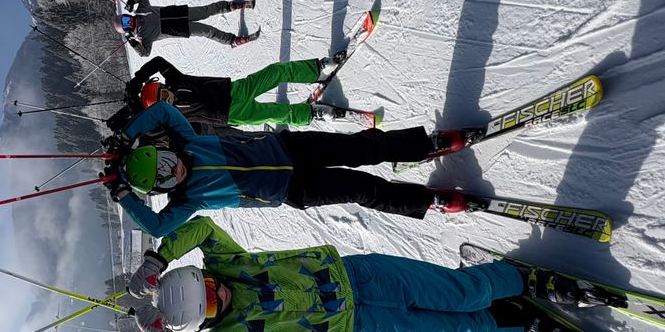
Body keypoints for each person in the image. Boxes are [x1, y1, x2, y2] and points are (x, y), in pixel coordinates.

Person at [121, 217, 599, 332]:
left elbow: (201, 226)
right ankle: (517, 323)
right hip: (361, 324)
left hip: (360, 275)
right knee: (457, 331)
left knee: (459, 294)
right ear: (202, 325)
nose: (216, 293)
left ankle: (523, 279)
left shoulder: (233, 264)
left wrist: (159, 255)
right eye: (206, 305)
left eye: (205, 283)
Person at [103, 101, 465, 238]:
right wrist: (123, 197)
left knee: (364, 147)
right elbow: (157, 227)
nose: (174, 170)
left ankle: (423, 145)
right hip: (292, 189)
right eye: (164, 178)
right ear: (161, 191)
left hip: (291, 147)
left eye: (164, 161)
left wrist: (125, 135)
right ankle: (426, 200)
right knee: (363, 189)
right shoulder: (187, 200)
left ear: (162, 149)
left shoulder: (187, 142)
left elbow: (163, 112)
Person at [106, 52, 352, 131]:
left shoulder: (176, 79)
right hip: (231, 115)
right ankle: (313, 114)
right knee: (277, 114)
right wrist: (128, 111)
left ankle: (317, 69)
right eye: (161, 100)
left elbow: (158, 61)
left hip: (235, 89)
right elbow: (137, 122)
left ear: (161, 85)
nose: (166, 97)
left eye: (161, 91)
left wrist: (137, 80)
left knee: (275, 72)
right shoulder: (170, 118)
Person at [118, 0, 257, 56]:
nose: (128, 21)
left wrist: (131, 1)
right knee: (208, 31)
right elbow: (145, 53)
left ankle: (233, 6)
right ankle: (233, 41)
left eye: (125, 18)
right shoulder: (143, 37)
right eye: (125, 24)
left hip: (181, 12)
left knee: (206, 10)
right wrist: (133, 42)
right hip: (181, 28)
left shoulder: (141, 10)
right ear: (126, 30)